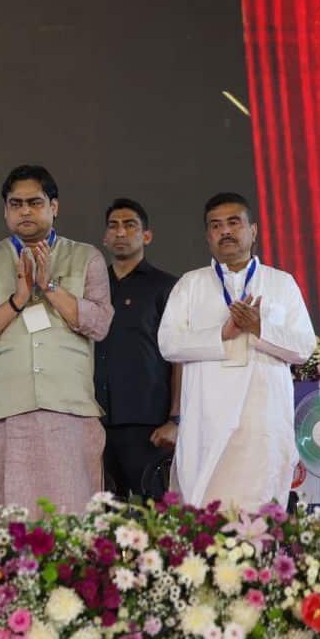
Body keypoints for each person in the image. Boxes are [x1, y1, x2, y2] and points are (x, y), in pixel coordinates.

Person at [0, 165, 113, 518]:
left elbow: (100, 323)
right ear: (6, 210)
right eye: (16, 203)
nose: (25, 210)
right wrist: (17, 299)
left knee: (73, 521)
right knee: (14, 525)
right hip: (6, 415)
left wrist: (50, 287)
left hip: (69, 411)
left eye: (35, 202)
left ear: (53, 207)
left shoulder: (86, 258)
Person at [159, 192, 315, 511]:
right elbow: (168, 344)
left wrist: (260, 329)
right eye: (216, 226)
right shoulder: (190, 284)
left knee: (260, 516)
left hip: (263, 421)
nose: (225, 231)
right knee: (206, 515)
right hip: (206, 420)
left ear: (253, 230)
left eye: (234, 222)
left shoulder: (281, 283)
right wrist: (222, 333)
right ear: (207, 236)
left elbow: (304, 347)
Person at [95, 198, 181, 499]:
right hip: (95, 423)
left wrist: (175, 419)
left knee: (153, 516)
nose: (120, 232)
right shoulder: (91, 288)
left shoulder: (167, 287)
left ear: (146, 236)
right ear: (105, 237)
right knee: (99, 517)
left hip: (149, 426)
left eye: (130, 225)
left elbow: (178, 358)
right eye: (113, 226)